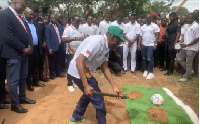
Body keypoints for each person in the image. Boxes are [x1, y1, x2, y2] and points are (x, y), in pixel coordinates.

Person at [67, 26, 125, 124]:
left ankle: (76, 117)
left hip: (85, 72)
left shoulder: (107, 47)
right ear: (113, 38)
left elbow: (105, 68)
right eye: (119, 41)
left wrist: (114, 86)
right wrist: (85, 85)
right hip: (78, 71)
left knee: (89, 94)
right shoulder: (97, 43)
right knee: (99, 101)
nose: (119, 43)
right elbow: (79, 61)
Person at [0, 0, 36, 113]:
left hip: (24, 53)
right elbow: (8, 36)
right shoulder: (5, 15)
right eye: (22, 5)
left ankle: (22, 97)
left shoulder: (19, 16)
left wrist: (29, 46)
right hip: (13, 53)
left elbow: (27, 33)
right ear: (14, 2)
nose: (24, 8)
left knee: (23, 76)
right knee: (14, 79)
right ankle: (15, 104)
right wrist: (22, 47)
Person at [62, 15, 85, 92]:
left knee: (77, 66)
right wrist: (76, 38)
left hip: (79, 51)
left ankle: (75, 82)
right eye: (76, 21)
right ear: (72, 20)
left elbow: (83, 37)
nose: (78, 22)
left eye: (79, 21)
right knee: (70, 67)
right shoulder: (68, 29)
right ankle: (69, 84)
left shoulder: (81, 28)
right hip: (70, 51)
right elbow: (64, 39)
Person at [24, 8, 45, 91]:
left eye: (33, 14)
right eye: (30, 14)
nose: (32, 16)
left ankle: (36, 81)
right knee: (29, 67)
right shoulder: (23, 23)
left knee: (36, 65)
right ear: (25, 14)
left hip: (37, 48)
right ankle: (29, 83)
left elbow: (40, 35)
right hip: (28, 48)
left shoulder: (36, 24)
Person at [176, 13, 199, 82]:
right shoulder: (186, 25)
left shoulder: (197, 26)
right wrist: (181, 41)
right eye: (187, 18)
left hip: (192, 48)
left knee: (189, 62)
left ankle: (186, 77)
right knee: (178, 58)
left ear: (193, 18)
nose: (188, 19)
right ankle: (190, 71)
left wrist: (187, 44)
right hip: (184, 46)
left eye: (190, 18)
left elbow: (197, 38)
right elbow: (184, 35)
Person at [138, 14, 160, 79]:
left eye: (149, 18)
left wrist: (156, 44)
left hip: (151, 44)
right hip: (144, 44)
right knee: (144, 58)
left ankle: (151, 72)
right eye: (147, 18)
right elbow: (140, 36)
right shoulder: (143, 26)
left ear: (151, 19)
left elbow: (157, 35)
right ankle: (145, 70)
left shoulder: (155, 26)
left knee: (150, 59)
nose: (148, 19)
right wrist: (139, 44)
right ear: (145, 19)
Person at [45, 14, 64, 79]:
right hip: (52, 47)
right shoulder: (48, 27)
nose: (54, 19)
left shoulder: (59, 26)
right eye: (52, 18)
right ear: (50, 19)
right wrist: (49, 48)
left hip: (60, 45)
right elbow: (47, 38)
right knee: (52, 61)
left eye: (55, 18)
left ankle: (59, 72)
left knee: (59, 60)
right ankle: (53, 74)